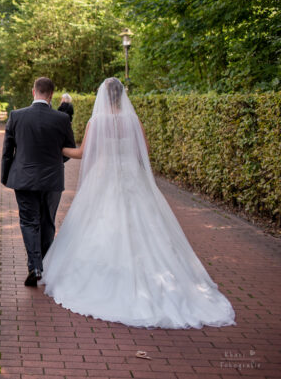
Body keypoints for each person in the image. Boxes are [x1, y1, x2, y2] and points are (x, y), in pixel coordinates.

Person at [42, 78, 235, 328]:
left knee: (98, 222)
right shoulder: (133, 121)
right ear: (121, 96)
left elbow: (82, 153)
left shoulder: (96, 122)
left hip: (103, 176)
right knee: (145, 222)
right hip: (131, 175)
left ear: (102, 96)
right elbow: (144, 150)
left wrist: (59, 149)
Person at [1, 77, 76, 287]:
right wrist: (54, 162)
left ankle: (35, 266)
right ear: (51, 95)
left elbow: (8, 151)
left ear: (34, 92)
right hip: (52, 179)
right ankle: (45, 265)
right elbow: (69, 149)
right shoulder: (61, 119)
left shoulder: (16, 116)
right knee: (47, 222)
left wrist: (7, 177)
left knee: (28, 222)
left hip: (23, 179)